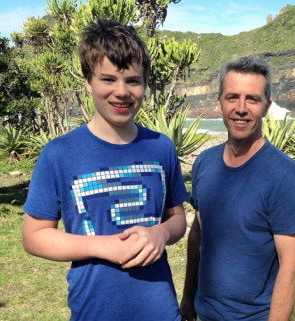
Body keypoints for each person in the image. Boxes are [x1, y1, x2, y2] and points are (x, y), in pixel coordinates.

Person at [22, 20, 187, 321]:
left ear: (145, 83)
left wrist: (161, 233)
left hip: (160, 310)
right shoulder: (59, 154)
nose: (121, 92)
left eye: (133, 80)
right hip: (94, 311)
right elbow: (34, 237)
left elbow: (178, 220)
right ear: (88, 81)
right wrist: (104, 246)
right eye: (108, 79)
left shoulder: (162, 147)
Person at [180, 57, 295, 321]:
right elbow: (198, 234)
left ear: (266, 106)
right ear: (219, 104)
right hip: (205, 313)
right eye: (232, 97)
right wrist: (187, 297)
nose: (241, 108)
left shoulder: (285, 176)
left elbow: (291, 266)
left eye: (252, 99)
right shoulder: (204, 164)